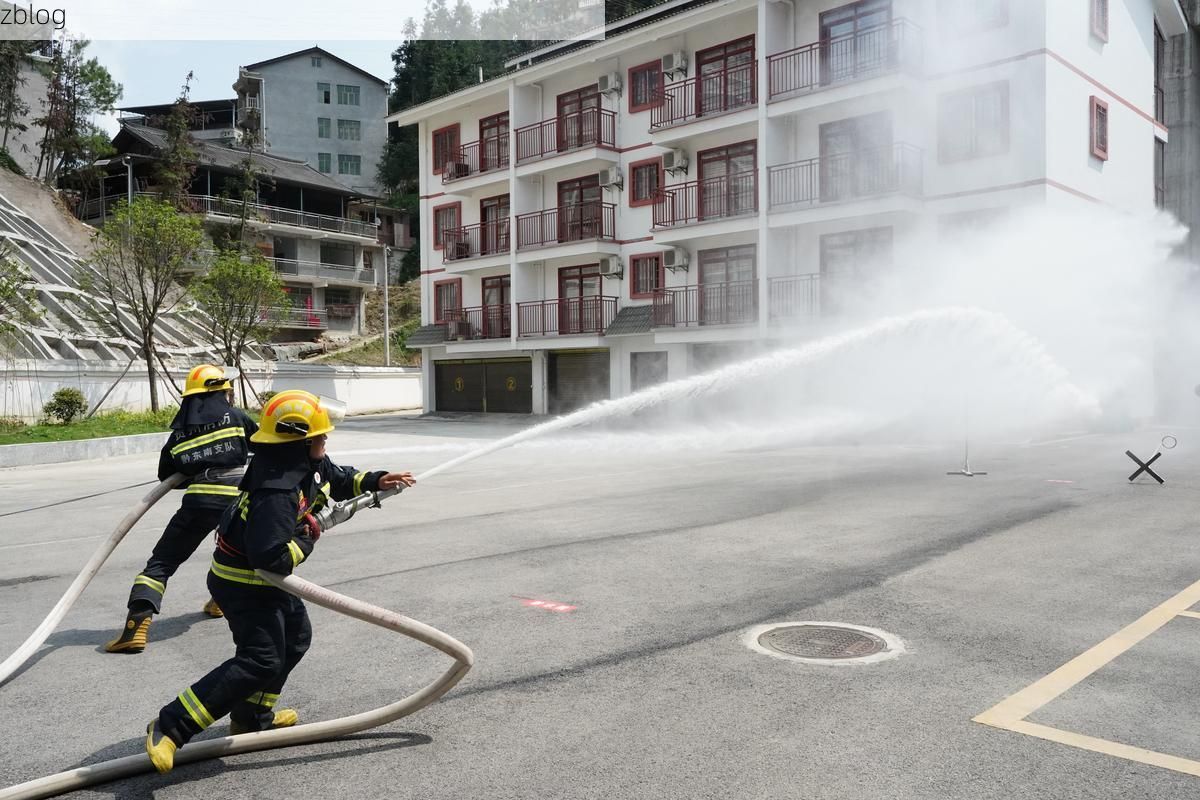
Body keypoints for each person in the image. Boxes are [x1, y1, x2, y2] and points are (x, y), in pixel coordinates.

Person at [145, 389, 415, 773]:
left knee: (296, 639)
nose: (326, 439)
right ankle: (170, 725)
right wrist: (309, 537)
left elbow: (337, 478)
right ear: (298, 443)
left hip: (268, 583)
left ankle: (251, 719)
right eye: (319, 436)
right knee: (260, 659)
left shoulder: (301, 463)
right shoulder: (276, 491)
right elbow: (270, 557)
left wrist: (376, 480)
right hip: (244, 584)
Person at [105, 365, 258, 654]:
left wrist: (197, 470)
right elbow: (266, 447)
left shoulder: (179, 435)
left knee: (162, 562)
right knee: (236, 554)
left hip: (200, 501)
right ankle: (222, 600)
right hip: (240, 500)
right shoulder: (237, 418)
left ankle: (135, 626)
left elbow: (167, 476)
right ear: (220, 393)